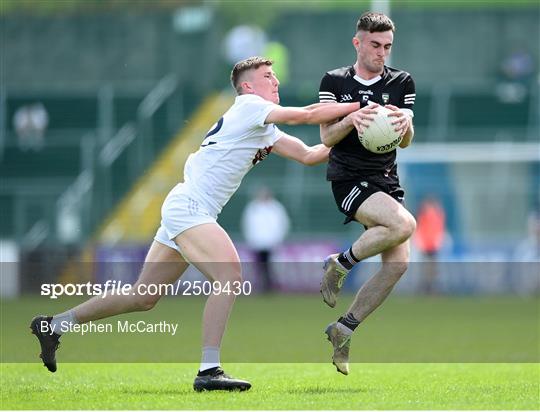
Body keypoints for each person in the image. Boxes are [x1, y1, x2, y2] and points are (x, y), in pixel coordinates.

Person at [30, 56, 363, 392]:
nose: (275, 81)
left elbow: (309, 154)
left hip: (186, 206)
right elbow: (306, 115)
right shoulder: (248, 106)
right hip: (191, 207)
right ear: (247, 86)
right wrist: (358, 106)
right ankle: (209, 370)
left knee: (141, 297)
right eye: (267, 76)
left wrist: (356, 132)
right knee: (230, 274)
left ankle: (55, 325)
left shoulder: (262, 127)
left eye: (275, 76)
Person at [318, 12, 417, 375]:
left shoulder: (402, 81)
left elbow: (405, 141)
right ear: (357, 42)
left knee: (399, 265)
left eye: (387, 46)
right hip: (347, 178)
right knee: (404, 224)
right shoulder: (334, 80)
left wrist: (406, 125)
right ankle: (340, 263)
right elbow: (326, 137)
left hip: (386, 179)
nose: (382, 53)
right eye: (375, 45)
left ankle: (344, 328)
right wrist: (351, 119)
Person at [241, 187, 290, 292]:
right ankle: (263, 285)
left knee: (270, 265)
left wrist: (278, 238)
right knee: (260, 265)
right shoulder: (253, 207)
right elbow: (248, 224)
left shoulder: (276, 207)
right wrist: (251, 239)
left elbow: (282, 224)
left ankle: (269, 285)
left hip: (271, 242)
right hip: (257, 242)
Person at [414, 195, 446, 294]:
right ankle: (426, 287)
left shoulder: (437, 214)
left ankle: (431, 287)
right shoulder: (425, 214)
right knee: (427, 267)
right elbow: (420, 228)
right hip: (426, 244)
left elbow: (439, 229)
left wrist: (439, 240)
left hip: (432, 244)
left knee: (431, 267)